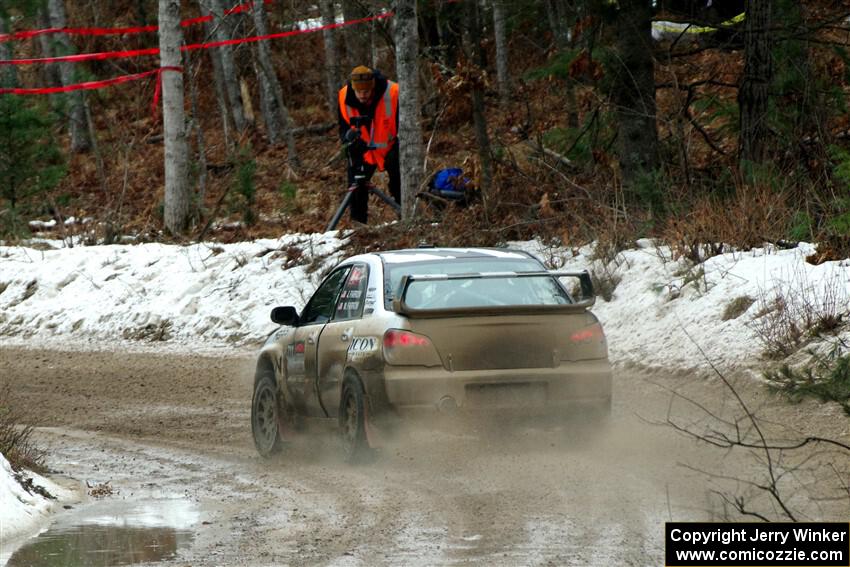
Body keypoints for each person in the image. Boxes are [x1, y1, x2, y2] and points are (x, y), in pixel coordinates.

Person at [337, 65, 400, 224]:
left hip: (391, 148)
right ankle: (359, 228)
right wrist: (348, 138)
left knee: (400, 183)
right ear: (353, 88)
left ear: (372, 87)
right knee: (356, 187)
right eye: (359, 92)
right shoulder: (343, 96)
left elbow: (405, 126)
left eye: (366, 91)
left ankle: (406, 218)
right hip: (363, 152)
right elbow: (343, 127)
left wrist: (396, 147)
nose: (362, 95)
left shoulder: (393, 93)